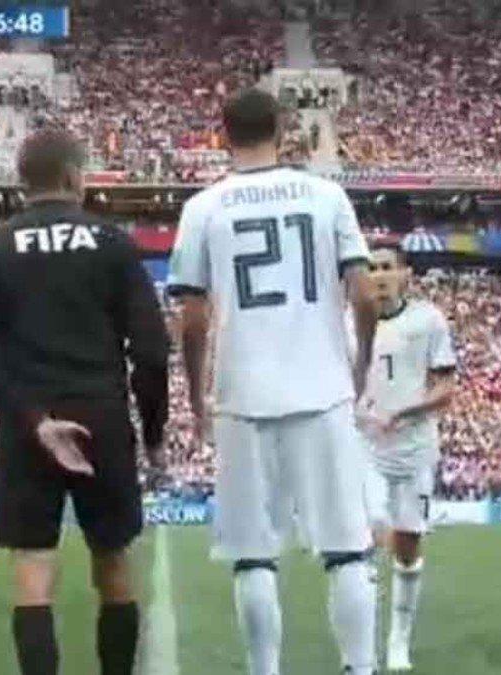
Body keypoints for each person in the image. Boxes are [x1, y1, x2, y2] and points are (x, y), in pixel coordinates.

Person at [168, 88, 380, 675]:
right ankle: (360, 668)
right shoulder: (326, 195)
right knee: (346, 548)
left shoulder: (203, 207)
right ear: (284, 130)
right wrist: (358, 363)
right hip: (323, 387)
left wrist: (194, 390)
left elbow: (191, 314)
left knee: (253, 556)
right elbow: (363, 292)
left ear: (223, 135)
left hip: (243, 392)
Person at [0, 128, 169, 675]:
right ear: (77, 176)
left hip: (29, 422)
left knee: (32, 566)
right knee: (114, 560)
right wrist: (153, 435)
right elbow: (149, 349)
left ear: (21, 181)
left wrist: (32, 419)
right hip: (100, 414)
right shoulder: (113, 244)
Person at [359, 243, 458, 672]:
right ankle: (361, 642)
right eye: (372, 269)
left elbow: (446, 388)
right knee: (360, 542)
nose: (378, 276)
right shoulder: (348, 322)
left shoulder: (427, 320)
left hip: (415, 448)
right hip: (365, 447)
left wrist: (405, 411)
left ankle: (398, 640)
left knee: (407, 545)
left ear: (405, 275)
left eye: (386, 268)